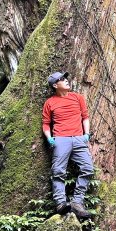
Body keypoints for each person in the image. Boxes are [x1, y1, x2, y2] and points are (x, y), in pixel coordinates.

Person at [42, 70, 94, 220]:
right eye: (62, 79)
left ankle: (77, 203)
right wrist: (49, 138)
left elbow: (85, 117)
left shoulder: (77, 98)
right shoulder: (50, 103)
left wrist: (86, 134)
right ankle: (60, 203)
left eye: (65, 78)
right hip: (60, 139)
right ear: (55, 85)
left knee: (88, 168)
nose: (66, 80)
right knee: (58, 170)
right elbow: (46, 124)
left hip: (79, 138)